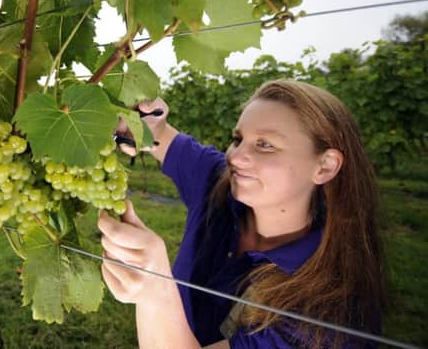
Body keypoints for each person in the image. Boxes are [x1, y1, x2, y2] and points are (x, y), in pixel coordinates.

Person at [98, 80, 385, 348]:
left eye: (264, 144)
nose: (234, 157)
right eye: (238, 139)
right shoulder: (221, 184)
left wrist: (155, 293)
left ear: (325, 166)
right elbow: (159, 136)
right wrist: (144, 124)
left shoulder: (326, 312)